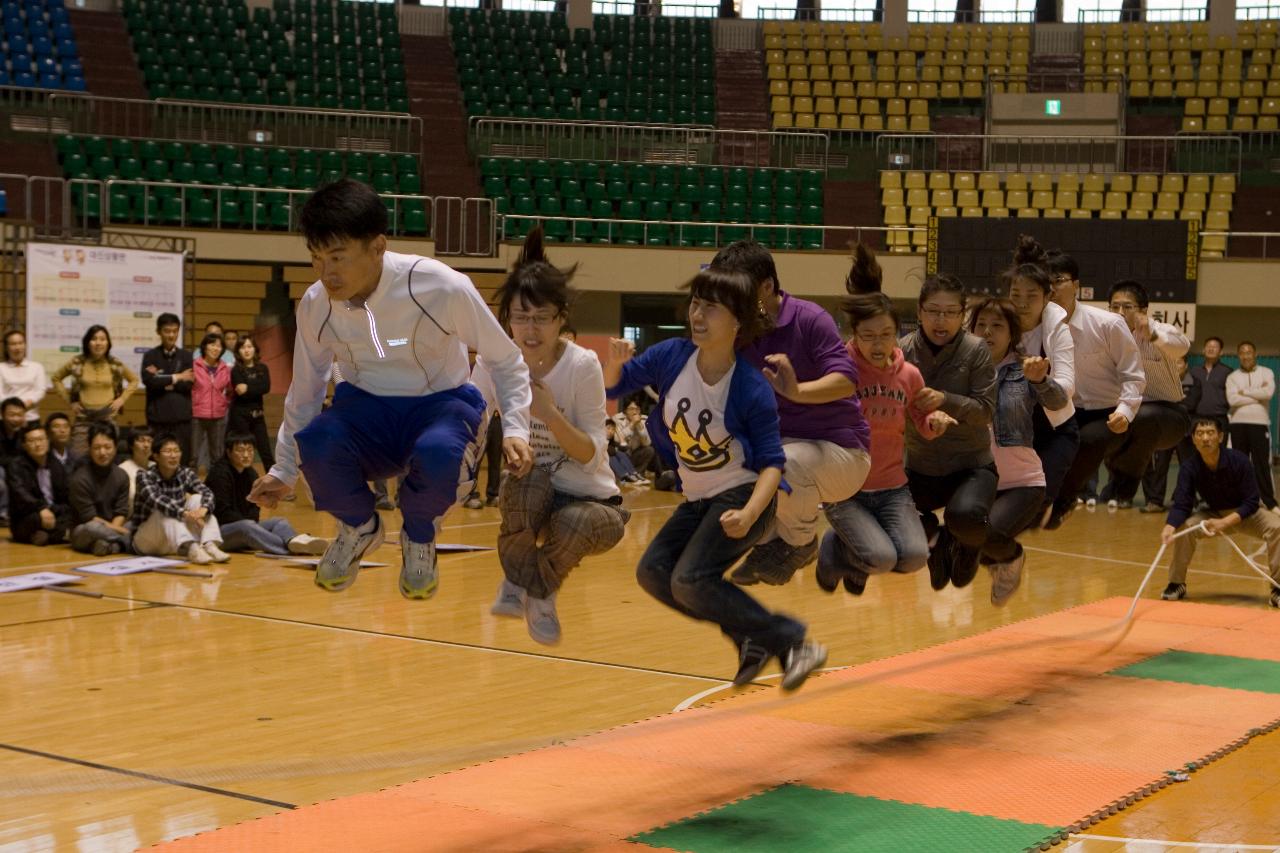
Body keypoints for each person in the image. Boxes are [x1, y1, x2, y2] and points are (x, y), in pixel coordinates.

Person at [247, 179, 533, 600]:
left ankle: (419, 535)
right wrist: (284, 469)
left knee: (439, 455)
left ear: (378, 247)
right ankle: (361, 527)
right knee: (318, 443)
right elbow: (306, 391)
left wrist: (516, 430)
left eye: (338, 257)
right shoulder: (314, 305)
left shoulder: (441, 286)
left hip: (441, 406)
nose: (327, 273)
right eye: (317, 259)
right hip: (365, 410)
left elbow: (505, 359)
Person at [605, 266, 827, 692]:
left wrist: (748, 513)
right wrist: (615, 364)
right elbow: (616, 388)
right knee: (653, 572)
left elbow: (772, 464)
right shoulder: (672, 355)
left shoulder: (748, 386)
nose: (698, 314)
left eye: (712, 307)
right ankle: (750, 636)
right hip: (699, 500)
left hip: (745, 497)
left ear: (738, 319)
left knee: (689, 579)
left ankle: (793, 640)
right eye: (695, 303)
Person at [474, 229, 630, 644]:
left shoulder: (582, 366)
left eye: (541, 317)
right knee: (525, 484)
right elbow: (470, 420)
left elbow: (591, 455)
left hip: (593, 503)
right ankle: (527, 579)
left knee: (575, 521)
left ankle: (530, 584)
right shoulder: (495, 362)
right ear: (507, 318)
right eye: (520, 316)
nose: (530, 328)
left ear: (561, 318)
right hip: (533, 494)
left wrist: (549, 414)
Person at [715, 239, 872, 586]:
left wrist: (798, 391)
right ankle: (769, 541)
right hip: (785, 450)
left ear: (767, 287)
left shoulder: (810, 318)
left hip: (842, 454)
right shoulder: (739, 333)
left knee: (783, 462)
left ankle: (800, 543)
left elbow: (846, 380)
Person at [819, 291, 952, 596]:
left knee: (915, 558)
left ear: (897, 334)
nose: (878, 344)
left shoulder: (909, 375)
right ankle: (834, 549)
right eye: (868, 336)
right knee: (879, 559)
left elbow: (923, 418)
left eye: (886, 335)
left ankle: (846, 547)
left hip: (892, 488)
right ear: (855, 335)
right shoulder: (838, 372)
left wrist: (935, 422)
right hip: (845, 490)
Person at [901, 273, 999, 590]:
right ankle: (935, 540)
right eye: (932, 311)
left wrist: (947, 400)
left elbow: (985, 409)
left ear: (963, 315)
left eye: (950, 312)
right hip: (919, 467)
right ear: (919, 312)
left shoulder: (976, 350)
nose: (940, 320)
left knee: (967, 518)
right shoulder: (901, 351)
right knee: (887, 520)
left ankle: (968, 546)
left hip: (971, 466)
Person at [968, 297, 1067, 605]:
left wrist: (1042, 381)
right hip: (979, 481)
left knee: (987, 534)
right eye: (981, 325)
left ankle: (1013, 557)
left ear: (1011, 334)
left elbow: (1058, 402)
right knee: (968, 542)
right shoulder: (961, 372)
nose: (987, 332)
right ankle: (998, 560)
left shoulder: (1024, 370)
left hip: (1023, 482)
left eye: (997, 326)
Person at [1043, 251, 1146, 529]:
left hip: (1105, 413)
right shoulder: (1038, 327)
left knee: (1085, 442)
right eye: (1045, 281)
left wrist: (1125, 411)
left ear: (1076, 285)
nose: (1051, 288)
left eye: (1058, 280)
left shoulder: (1107, 324)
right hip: (1061, 409)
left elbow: (1133, 374)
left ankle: (1065, 500)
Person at [1161, 417, 1280, 608]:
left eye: (1210, 433)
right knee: (1185, 528)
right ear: (1193, 439)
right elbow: (1183, 503)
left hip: (1247, 514)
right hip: (1214, 514)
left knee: (1277, 527)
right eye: (1200, 434)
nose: (1205, 438)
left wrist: (1225, 523)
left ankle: (1277, 589)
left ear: (1220, 437)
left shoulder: (1239, 461)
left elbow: (1251, 501)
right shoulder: (1189, 467)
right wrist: (1170, 526)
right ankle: (1176, 584)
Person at [1097, 280, 1191, 506]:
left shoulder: (1158, 330)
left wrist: (1154, 336)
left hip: (1170, 415)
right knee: (1097, 424)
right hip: (1127, 412)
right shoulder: (1103, 337)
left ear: (1143, 311)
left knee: (1141, 417)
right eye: (1114, 307)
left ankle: (1125, 484)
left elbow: (1182, 346)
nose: (1120, 313)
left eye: (1127, 307)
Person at [1005, 237, 1077, 523]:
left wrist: (1040, 379)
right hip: (1009, 430)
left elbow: (1067, 387)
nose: (1022, 304)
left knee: (1034, 509)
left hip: (1053, 428)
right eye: (1015, 294)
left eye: (1031, 296)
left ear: (1047, 297)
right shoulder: (994, 324)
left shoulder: (1058, 329)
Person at [205, 433, 327, 555]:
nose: (246, 455)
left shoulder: (250, 473)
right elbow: (222, 513)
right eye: (241, 451)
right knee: (246, 526)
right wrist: (251, 524)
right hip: (219, 533)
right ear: (228, 452)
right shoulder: (219, 474)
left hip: (247, 525)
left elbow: (255, 507)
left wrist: (253, 523)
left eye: (250, 450)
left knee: (278, 522)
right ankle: (290, 549)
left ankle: (293, 541)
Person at [131, 433, 230, 565]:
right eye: (167, 451)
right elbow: (157, 499)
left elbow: (208, 492)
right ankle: (192, 548)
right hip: (146, 541)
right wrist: (185, 514)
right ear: (155, 456)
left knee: (197, 498)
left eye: (176, 451)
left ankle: (210, 545)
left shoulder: (185, 473)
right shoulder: (144, 476)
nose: (173, 455)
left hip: (171, 542)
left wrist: (203, 510)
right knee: (163, 513)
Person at [49, 324, 140, 454]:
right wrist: (70, 401)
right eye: (94, 339)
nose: (98, 343)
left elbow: (134, 380)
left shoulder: (114, 363)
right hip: (83, 418)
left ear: (108, 343)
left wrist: (122, 399)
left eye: (102, 339)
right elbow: (56, 378)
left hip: (108, 418)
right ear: (87, 342)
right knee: (78, 458)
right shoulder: (77, 362)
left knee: (105, 456)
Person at [1139, 354, 1200, 513]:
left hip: (1185, 432)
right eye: (1172, 363)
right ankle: (1155, 501)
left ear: (1185, 365)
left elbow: (1191, 404)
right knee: (1160, 467)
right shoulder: (1161, 381)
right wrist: (1177, 400)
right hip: (1165, 432)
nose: (1175, 366)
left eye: (1178, 362)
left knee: (1187, 467)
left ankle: (1189, 502)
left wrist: (1171, 402)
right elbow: (1159, 403)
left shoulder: (1194, 382)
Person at [1227, 340, 1277, 511]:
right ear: (1238, 356)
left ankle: (1269, 502)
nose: (1246, 355)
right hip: (1237, 424)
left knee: (1261, 463)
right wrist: (1257, 395)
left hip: (1260, 423)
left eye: (1249, 352)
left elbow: (1268, 393)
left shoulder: (1267, 372)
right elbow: (1232, 399)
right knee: (1240, 464)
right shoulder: (1232, 377)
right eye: (1242, 352)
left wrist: (1244, 392)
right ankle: (1240, 500)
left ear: (1255, 354)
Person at [68, 422, 131, 555]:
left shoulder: (122, 475)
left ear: (115, 447)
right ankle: (128, 542)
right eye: (97, 448)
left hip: (114, 527)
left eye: (107, 447)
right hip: (85, 531)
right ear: (89, 448)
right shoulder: (79, 478)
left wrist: (116, 528)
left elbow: (121, 512)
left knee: (136, 523)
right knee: (91, 528)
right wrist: (122, 532)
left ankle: (110, 546)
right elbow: (90, 518)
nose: (102, 452)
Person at [141, 312, 194, 464]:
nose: (171, 335)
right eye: (167, 331)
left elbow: (188, 384)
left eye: (175, 331)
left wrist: (163, 381)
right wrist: (177, 377)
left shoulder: (186, 356)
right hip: (158, 419)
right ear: (159, 331)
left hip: (181, 418)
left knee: (181, 461)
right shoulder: (150, 356)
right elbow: (150, 381)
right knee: (156, 460)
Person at [6, 422, 71, 545]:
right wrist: (41, 508)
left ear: (47, 441)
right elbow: (20, 494)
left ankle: (46, 536)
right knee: (36, 519)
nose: (38, 444)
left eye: (41, 439)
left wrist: (55, 510)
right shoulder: (16, 465)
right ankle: (57, 534)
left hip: (53, 511)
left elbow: (65, 494)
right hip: (28, 514)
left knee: (72, 514)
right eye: (32, 441)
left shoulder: (56, 464)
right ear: (24, 445)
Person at [228, 334, 274, 470]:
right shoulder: (236, 370)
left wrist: (248, 387)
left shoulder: (262, 368)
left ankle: (274, 486)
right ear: (238, 351)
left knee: (266, 452)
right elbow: (241, 393)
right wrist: (255, 386)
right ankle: (246, 482)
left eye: (249, 346)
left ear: (254, 349)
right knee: (244, 452)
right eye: (242, 347)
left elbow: (265, 387)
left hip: (258, 416)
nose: (246, 350)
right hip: (240, 416)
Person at [191, 332, 232, 472]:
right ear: (204, 347)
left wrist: (223, 402)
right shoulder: (195, 366)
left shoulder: (225, 368)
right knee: (193, 454)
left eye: (219, 346)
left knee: (217, 455)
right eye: (212, 344)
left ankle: (215, 487)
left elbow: (230, 389)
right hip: (197, 415)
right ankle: (191, 488)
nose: (216, 348)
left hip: (218, 416)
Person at [0, 329, 49, 422]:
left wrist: (26, 404)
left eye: (20, 343)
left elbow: (40, 391)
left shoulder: (37, 367)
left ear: (25, 345)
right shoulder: (1, 368)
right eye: (13, 344)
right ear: (6, 347)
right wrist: (13, 408)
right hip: (6, 419)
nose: (17, 347)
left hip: (31, 417)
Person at [462, 411, 504, 509]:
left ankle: (493, 495)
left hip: (498, 419)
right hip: (481, 416)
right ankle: (471, 495)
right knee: (476, 459)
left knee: (496, 458)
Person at [1191, 336, 1231, 436]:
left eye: (1215, 347)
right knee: (1196, 450)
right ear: (1204, 350)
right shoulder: (1194, 370)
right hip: (1197, 417)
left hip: (1219, 417)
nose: (1211, 349)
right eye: (1208, 346)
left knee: (1220, 450)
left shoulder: (1227, 371)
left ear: (1221, 352)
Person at [0, 395, 26, 525]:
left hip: (13, 468)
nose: (16, 419)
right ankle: (3, 514)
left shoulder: (25, 434)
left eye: (19, 415)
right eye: (11, 415)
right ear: (2, 415)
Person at [118, 426, 153, 515]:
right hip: (133, 518)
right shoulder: (122, 469)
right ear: (131, 445)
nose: (146, 445)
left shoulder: (158, 467)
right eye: (141, 440)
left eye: (150, 441)